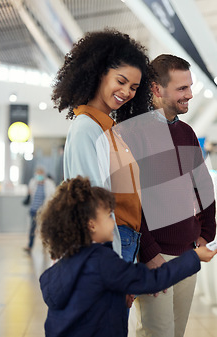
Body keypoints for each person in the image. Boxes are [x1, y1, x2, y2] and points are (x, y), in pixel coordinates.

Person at [38, 176, 217, 337]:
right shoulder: (101, 261)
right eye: (109, 216)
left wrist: (117, 293)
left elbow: (88, 297)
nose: (114, 221)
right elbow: (151, 280)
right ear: (91, 224)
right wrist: (195, 257)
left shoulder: (62, 266)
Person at [131, 54, 217, 337]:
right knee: (157, 333)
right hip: (156, 258)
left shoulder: (187, 132)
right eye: (182, 89)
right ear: (156, 89)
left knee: (176, 332)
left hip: (187, 254)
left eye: (190, 87)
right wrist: (149, 252)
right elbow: (130, 202)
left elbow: (203, 185)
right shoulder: (134, 133)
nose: (190, 95)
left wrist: (206, 231)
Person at [51, 29, 152, 268]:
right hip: (109, 246)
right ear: (99, 74)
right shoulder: (87, 128)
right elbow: (93, 206)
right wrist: (112, 267)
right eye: (121, 81)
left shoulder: (108, 129)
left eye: (134, 87)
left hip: (124, 243)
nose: (127, 92)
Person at [23, 166, 55, 254]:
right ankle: (29, 246)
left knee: (44, 229)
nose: (39, 176)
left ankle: (45, 246)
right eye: (37, 175)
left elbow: (51, 196)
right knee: (32, 229)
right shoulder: (33, 182)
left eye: (40, 175)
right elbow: (30, 193)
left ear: (43, 175)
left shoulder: (49, 184)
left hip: (44, 211)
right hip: (33, 210)